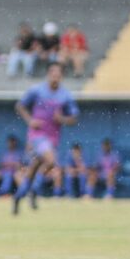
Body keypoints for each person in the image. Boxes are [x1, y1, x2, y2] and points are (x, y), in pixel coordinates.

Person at [13, 63, 79, 215]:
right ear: (49, 74)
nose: (55, 76)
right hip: (37, 135)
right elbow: (20, 106)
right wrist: (30, 121)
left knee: (34, 168)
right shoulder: (37, 90)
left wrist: (61, 118)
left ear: (61, 76)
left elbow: (74, 118)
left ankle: (20, 196)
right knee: (51, 161)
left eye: (58, 74)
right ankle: (34, 190)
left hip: (53, 137)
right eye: (53, 73)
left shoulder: (65, 96)